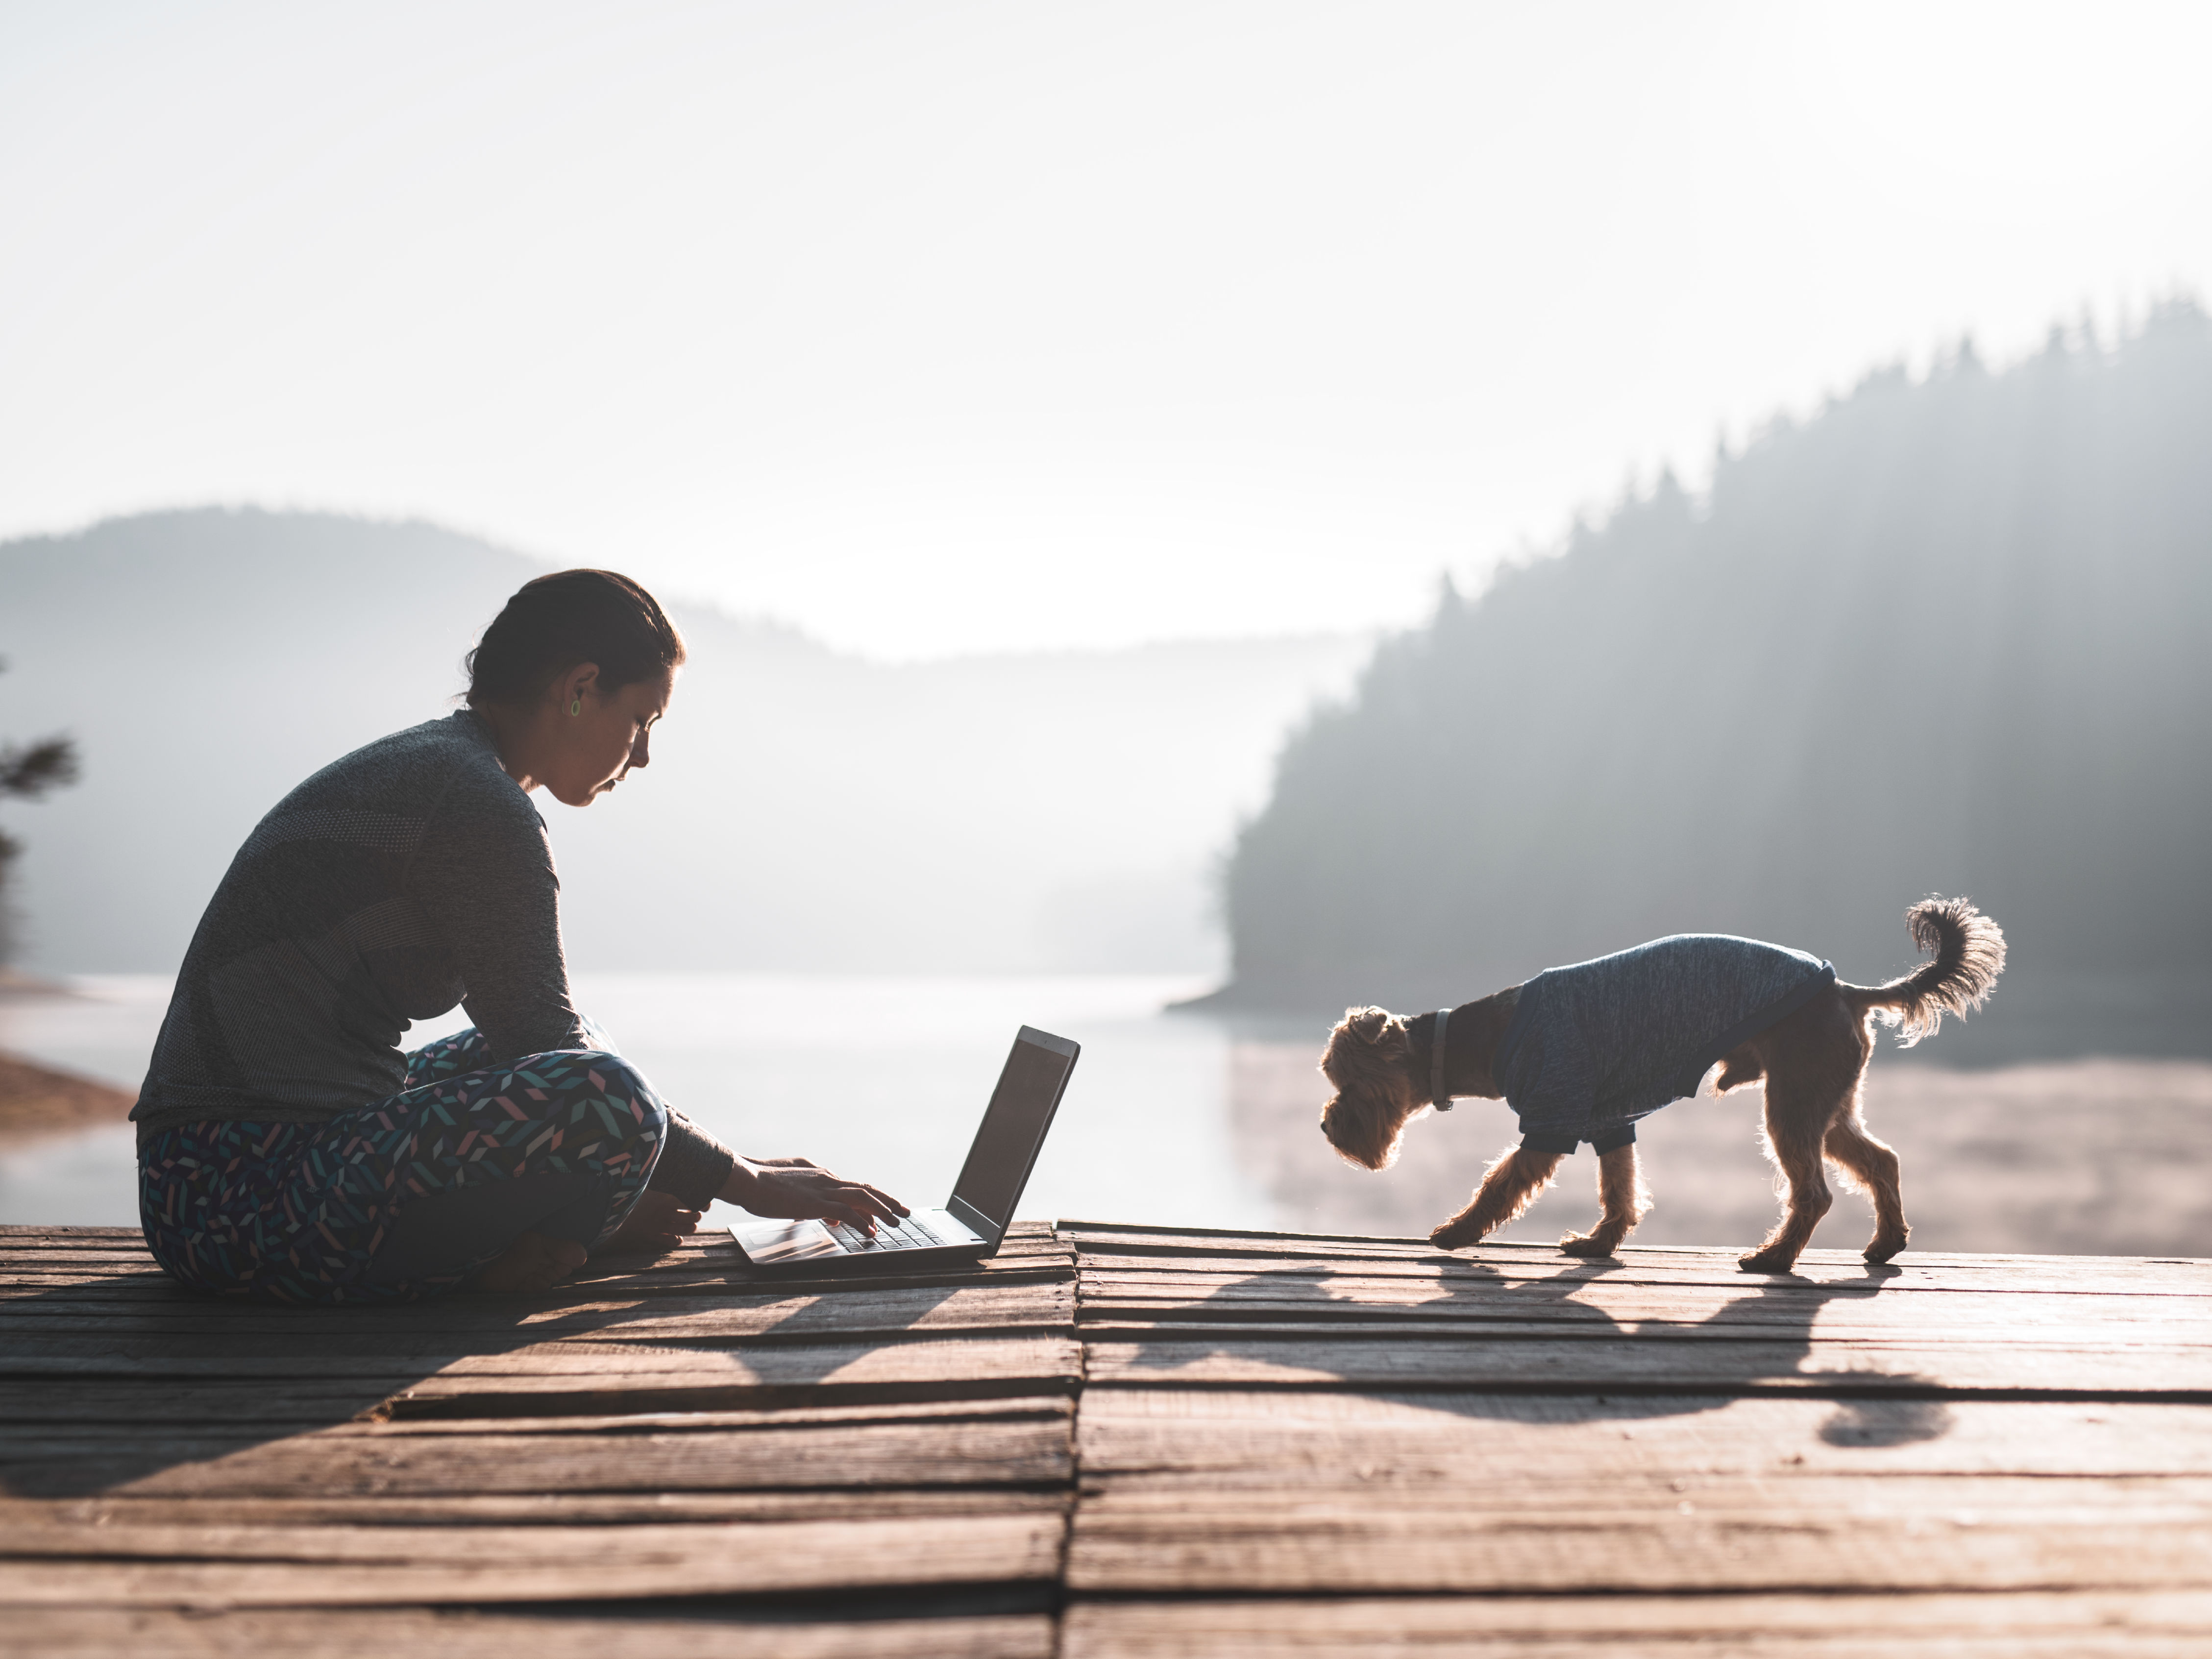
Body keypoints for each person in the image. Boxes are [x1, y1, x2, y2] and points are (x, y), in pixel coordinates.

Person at [133, 568, 906, 1301]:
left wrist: (710, 1162)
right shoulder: (475, 804)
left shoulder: (443, 766)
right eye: (641, 720)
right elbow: (552, 1046)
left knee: (588, 1060)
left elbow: (537, 1039)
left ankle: (542, 1239)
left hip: (206, 1182)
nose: (641, 756)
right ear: (578, 689)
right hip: (238, 1197)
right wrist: (749, 1181)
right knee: (605, 1091)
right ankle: (526, 1249)